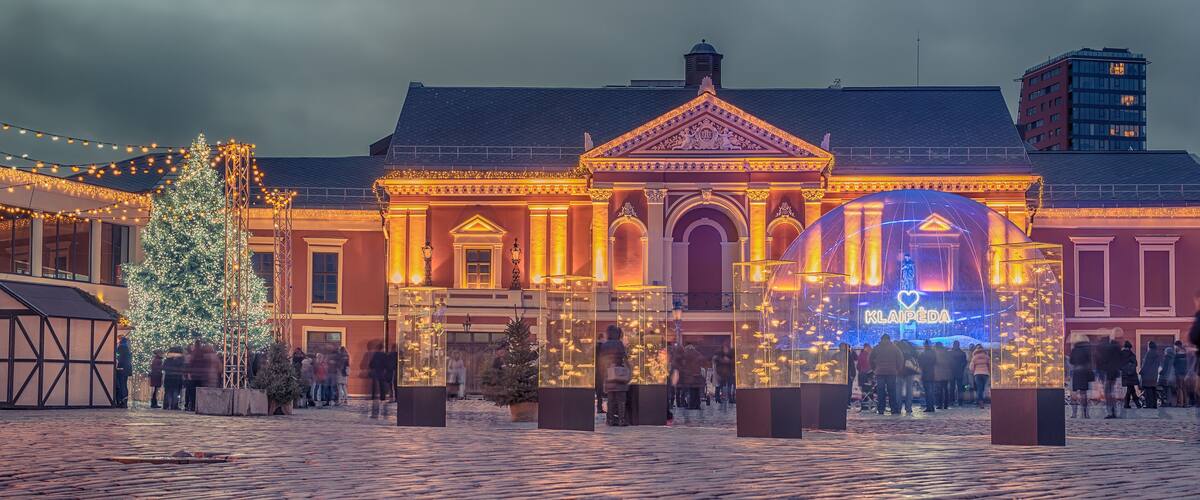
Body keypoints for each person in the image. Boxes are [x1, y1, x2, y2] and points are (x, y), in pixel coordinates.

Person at [596, 325, 627, 414]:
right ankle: (621, 418)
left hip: (608, 373)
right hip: (618, 372)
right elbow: (624, 357)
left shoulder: (604, 345)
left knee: (611, 396)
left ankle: (610, 418)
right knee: (620, 397)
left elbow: (602, 359)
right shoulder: (619, 344)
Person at [869, 334, 902, 415]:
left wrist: (874, 369)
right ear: (889, 339)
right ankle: (894, 409)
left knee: (880, 392)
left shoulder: (876, 348)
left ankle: (881, 409)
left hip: (879, 372)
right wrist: (897, 369)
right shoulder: (895, 348)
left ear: (881, 339)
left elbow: (870, 359)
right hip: (892, 372)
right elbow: (900, 359)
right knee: (892, 391)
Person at [604, 354, 632, 426]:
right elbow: (629, 372)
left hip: (610, 385)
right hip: (621, 385)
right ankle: (621, 420)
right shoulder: (624, 360)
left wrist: (605, 386)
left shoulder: (608, 361)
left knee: (611, 403)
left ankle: (610, 420)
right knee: (621, 403)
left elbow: (604, 374)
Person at [1097, 338, 1122, 418]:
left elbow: (1104, 360)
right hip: (1115, 372)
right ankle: (1114, 411)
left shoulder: (1109, 350)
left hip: (1110, 372)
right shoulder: (1117, 349)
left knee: (1107, 392)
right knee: (1111, 392)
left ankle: (1110, 412)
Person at [1068, 339, 1093, 418]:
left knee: (1074, 392)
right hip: (1084, 372)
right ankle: (1085, 413)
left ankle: (1074, 413)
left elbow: (1071, 361)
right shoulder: (1087, 350)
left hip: (1076, 371)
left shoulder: (1074, 350)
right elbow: (1090, 361)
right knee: (1083, 393)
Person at [368, 341, 391, 418]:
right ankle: (382, 397)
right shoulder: (385, 355)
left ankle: (374, 397)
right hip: (382, 372)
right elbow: (387, 364)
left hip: (376, 371)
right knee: (382, 386)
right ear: (383, 348)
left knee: (375, 385)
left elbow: (371, 364)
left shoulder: (375, 355)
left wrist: (373, 368)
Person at [1140, 341, 1164, 414]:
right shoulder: (1157, 354)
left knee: (1148, 391)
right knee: (1153, 390)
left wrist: (1141, 371)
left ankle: (1149, 404)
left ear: (1149, 346)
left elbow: (1146, 364)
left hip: (1148, 375)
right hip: (1154, 375)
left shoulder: (1149, 353)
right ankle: (1154, 404)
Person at [897, 341, 918, 415]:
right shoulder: (911, 349)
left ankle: (898, 407)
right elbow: (917, 356)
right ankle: (908, 408)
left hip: (899, 372)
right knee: (909, 389)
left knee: (898, 390)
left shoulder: (897, 349)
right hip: (910, 371)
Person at [1120, 341, 1141, 410]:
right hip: (1132, 375)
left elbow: (1119, 365)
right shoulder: (1132, 354)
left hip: (1125, 374)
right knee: (1131, 389)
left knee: (1131, 389)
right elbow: (1136, 364)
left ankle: (1129, 404)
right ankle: (1135, 404)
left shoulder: (1121, 354)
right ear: (1129, 347)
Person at [682, 343, 704, 410]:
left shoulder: (686, 354)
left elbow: (684, 364)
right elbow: (702, 361)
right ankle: (697, 405)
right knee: (697, 391)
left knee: (691, 391)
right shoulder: (698, 353)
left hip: (690, 375)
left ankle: (691, 405)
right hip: (698, 374)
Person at [918, 340, 938, 413]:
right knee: (931, 391)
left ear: (924, 345)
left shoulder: (922, 354)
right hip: (932, 373)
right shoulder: (933, 353)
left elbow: (920, 363)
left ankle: (929, 407)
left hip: (925, 374)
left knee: (927, 392)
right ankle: (932, 406)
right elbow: (936, 362)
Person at [114, 336, 132, 408]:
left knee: (121, 385)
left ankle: (122, 401)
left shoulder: (121, 347)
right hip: (126, 369)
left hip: (121, 369)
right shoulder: (127, 347)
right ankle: (124, 401)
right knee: (124, 384)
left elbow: (118, 357)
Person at [933, 343, 952, 410]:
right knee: (946, 389)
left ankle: (940, 405)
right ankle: (946, 404)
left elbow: (936, 362)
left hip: (939, 374)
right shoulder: (947, 352)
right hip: (947, 373)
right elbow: (950, 362)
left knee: (939, 390)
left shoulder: (936, 353)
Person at [949, 341, 968, 406]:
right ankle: (960, 401)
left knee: (952, 387)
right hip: (959, 372)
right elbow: (965, 363)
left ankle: (951, 401)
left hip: (951, 372)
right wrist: (961, 368)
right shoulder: (962, 353)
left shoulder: (950, 353)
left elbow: (948, 363)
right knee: (960, 387)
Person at [856, 343, 873, 412]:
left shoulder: (861, 354)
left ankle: (864, 406)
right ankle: (870, 405)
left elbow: (858, 366)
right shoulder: (869, 355)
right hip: (868, 375)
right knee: (869, 390)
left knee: (864, 391)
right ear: (866, 348)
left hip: (862, 374)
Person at [1172, 340, 1189, 407]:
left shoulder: (1176, 355)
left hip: (1178, 373)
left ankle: (1180, 403)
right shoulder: (1186, 355)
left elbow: (1174, 364)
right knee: (1184, 388)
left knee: (1179, 388)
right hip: (1185, 373)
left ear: (1177, 346)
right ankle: (1186, 403)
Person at [844, 343, 858, 408]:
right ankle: (847, 403)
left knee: (841, 389)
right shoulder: (849, 355)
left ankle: (841, 402)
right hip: (848, 376)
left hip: (840, 376)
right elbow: (852, 365)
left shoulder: (837, 355)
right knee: (848, 389)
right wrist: (853, 374)